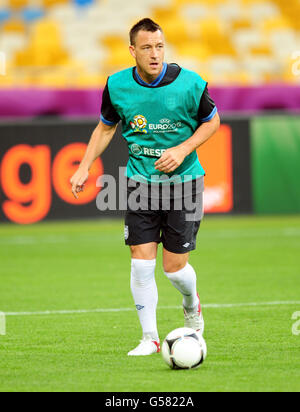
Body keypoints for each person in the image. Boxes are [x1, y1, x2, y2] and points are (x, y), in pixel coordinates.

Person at [70, 18, 220, 356]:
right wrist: (84, 165)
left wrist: (182, 149)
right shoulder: (117, 85)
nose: (155, 54)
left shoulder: (190, 84)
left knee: (175, 268)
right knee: (140, 262)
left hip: (184, 183)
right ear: (132, 50)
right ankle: (150, 338)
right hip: (140, 183)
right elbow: (106, 127)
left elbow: (213, 122)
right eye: (147, 47)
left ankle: (191, 305)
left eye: (160, 46)